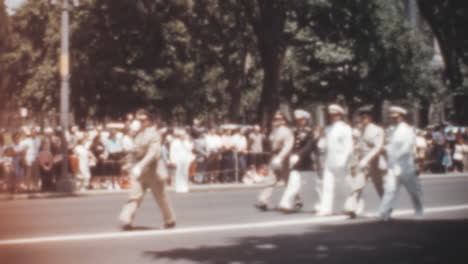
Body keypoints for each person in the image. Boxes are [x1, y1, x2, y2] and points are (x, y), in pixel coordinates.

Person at [118, 109, 176, 230]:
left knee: (161, 197)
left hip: (153, 170)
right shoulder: (136, 134)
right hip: (139, 171)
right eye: (138, 119)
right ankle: (126, 220)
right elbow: (133, 151)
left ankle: (169, 219)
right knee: (134, 195)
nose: (139, 122)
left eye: (142, 120)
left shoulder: (154, 134)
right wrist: (129, 163)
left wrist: (140, 165)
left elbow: (153, 153)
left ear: (149, 121)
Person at [378, 106, 423, 221]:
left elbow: (407, 148)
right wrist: (386, 151)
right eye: (392, 116)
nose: (392, 119)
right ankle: (384, 213)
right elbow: (391, 146)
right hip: (394, 166)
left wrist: (394, 158)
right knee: (390, 189)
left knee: (413, 191)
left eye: (395, 117)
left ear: (401, 117)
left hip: (405, 165)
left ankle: (419, 211)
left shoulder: (408, 130)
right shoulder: (392, 130)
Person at [344, 106, 385, 217]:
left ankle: (387, 207)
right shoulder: (360, 130)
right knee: (357, 184)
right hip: (362, 162)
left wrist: (367, 159)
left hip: (374, 161)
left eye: (365, 117)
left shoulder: (377, 130)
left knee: (379, 186)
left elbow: (378, 147)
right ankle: (352, 208)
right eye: (361, 117)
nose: (363, 119)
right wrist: (354, 162)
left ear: (370, 118)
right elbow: (358, 147)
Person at [316, 104, 353, 216]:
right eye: (331, 115)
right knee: (327, 185)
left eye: (335, 115)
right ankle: (326, 209)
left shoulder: (345, 128)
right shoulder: (328, 129)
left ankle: (350, 205)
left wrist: (344, 160)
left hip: (341, 161)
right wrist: (321, 141)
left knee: (344, 185)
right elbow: (324, 145)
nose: (332, 117)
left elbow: (349, 147)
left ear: (340, 115)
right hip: (330, 160)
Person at [278, 109, 317, 212]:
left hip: (307, 163)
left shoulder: (310, 132)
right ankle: (286, 203)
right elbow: (291, 145)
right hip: (296, 163)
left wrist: (298, 155)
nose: (299, 122)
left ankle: (318, 204)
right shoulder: (295, 131)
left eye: (301, 120)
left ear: (306, 120)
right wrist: (288, 156)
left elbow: (309, 146)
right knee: (292, 183)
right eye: (298, 120)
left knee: (313, 186)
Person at [255, 110, 294, 211]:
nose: (276, 121)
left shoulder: (287, 131)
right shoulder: (274, 131)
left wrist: (280, 157)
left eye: (279, 119)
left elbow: (288, 146)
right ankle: (263, 199)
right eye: (275, 119)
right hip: (274, 157)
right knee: (271, 179)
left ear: (284, 121)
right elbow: (271, 144)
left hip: (283, 158)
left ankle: (297, 199)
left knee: (288, 181)